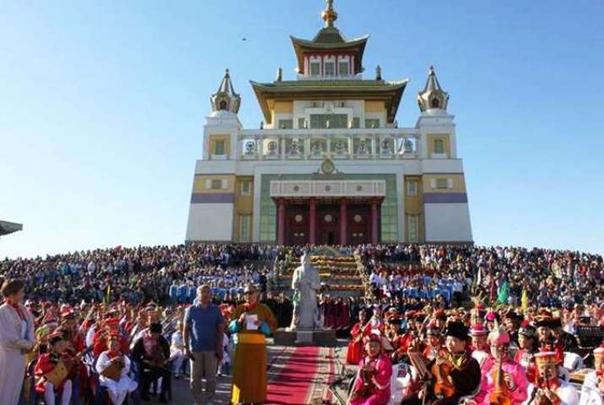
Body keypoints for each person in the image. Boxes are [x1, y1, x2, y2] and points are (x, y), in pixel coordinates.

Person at [400, 321, 481, 405]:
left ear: (463, 343)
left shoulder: (470, 361)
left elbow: (468, 385)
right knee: (408, 400)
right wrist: (425, 389)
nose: (449, 344)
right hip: (436, 391)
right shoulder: (443, 355)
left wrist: (451, 367)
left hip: (455, 394)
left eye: (453, 341)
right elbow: (430, 376)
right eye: (448, 340)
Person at [228, 283, 277, 405]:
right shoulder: (239, 309)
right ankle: (240, 399)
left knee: (257, 374)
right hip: (242, 348)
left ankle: (257, 399)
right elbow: (230, 328)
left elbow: (272, 327)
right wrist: (239, 321)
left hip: (258, 348)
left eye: (251, 292)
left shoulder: (264, 309)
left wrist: (262, 325)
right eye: (246, 293)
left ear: (257, 294)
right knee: (241, 374)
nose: (248, 295)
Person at [183, 285, 225, 404]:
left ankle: (209, 400)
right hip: (195, 349)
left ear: (211, 294)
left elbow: (221, 329)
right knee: (195, 378)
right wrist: (186, 347)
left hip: (212, 349)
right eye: (203, 292)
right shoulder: (191, 310)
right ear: (198, 294)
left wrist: (219, 347)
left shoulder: (216, 310)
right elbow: (185, 330)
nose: (206, 294)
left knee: (211, 378)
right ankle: (198, 401)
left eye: (208, 292)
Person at [0, 279, 35, 405]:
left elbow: (30, 326)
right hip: (7, 357)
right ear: (12, 294)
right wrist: (28, 344)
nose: (23, 294)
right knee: (5, 387)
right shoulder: (2, 312)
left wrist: (31, 341)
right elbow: (7, 338)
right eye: (21, 292)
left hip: (20, 357)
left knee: (15, 387)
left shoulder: (23, 310)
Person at [474, 327, 528, 404]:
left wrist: (513, 388)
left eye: (496, 346)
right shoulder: (486, 365)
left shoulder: (516, 368)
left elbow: (524, 396)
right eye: (492, 346)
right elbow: (481, 392)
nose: (494, 349)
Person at [131, 322, 171, 403]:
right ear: (149, 332)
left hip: (158, 363)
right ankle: (144, 393)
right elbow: (135, 356)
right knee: (148, 373)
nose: (155, 336)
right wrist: (146, 361)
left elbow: (167, 353)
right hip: (145, 364)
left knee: (167, 373)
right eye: (153, 333)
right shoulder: (142, 340)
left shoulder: (161, 339)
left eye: (157, 334)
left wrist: (164, 361)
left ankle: (163, 394)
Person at [349, 333, 393, 405]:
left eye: (376, 346)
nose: (373, 348)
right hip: (365, 392)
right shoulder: (363, 361)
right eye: (370, 345)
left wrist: (373, 372)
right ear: (365, 347)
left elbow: (383, 384)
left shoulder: (385, 361)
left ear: (380, 348)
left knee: (369, 403)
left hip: (380, 394)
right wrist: (357, 391)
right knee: (353, 401)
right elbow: (359, 380)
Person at [95, 332, 138, 405]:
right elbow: (99, 367)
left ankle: (118, 403)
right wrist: (110, 362)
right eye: (111, 345)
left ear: (119, 346)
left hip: (119, 377)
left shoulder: (121, 355)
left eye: (116, 345)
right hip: (107, 377)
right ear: (108, 345)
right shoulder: (104, 354)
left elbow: (127, 367)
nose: (114, 347)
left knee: (123, 388)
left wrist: (121, 371)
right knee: (112, 389)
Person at [34, 331, 73, 405]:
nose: (62, 347)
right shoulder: (45, 357)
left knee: (69, 382)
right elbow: (40, 372)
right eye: (59, 345)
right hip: (44, 382)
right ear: (52, 346)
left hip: (58, 382)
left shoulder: (65, 356)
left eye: (62, 345)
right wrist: (53, 364)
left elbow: (67, 372)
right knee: (49, 384)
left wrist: (73, 363)